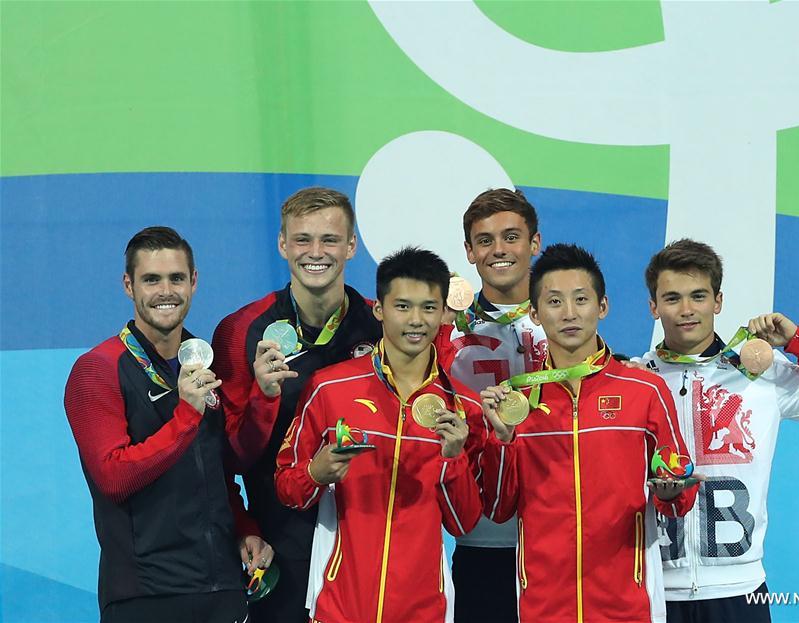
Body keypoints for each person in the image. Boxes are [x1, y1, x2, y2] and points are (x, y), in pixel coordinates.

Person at [640, 239, 799, 623]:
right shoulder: (635, 380)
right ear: (653, 306)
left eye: (698, 296)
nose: (686, 310)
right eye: (672, 298)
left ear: (718, 301)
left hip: (740, 589)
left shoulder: (761, 373)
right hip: (656, 590)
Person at [480, 243, 697, 623]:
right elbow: (499, 507)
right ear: (534, 312)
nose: (569, 314)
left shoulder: (644, 390)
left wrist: (673, 491)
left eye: (581, 299)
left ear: (602, 307)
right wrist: (502, 440)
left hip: (628, 606)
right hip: (543, 608)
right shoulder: (516, 401)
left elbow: (678, 493)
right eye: (554, 302)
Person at [64, 226, 271, 623]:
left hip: (222, 589)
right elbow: (113, 476)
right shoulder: (97, 370)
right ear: (128, 285)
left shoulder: (206, 363)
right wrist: (186, 416)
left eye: (176, 278)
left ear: (194, 282)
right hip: (146, 596)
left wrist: (244, 528)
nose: (166, 291)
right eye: (151, 279)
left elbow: (216, 470)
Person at [275, 247, 486, 623]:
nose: (416, 320)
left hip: (425, 612)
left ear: (442, 314)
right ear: (379, 309)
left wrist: (453, 460)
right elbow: (286, 487)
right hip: (339, 608)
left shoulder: (460, 407)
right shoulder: (329, 388)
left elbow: (463, 523)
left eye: (428, 307)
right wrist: (316, 474)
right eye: (402, 306)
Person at [212, 187, 382, 621]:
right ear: (283, 244)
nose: (316, 252)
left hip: (370, 539)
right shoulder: (241, 331)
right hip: (280, 545)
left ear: (351, 245)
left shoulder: (380, 327)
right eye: (303, 239)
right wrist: (262, 399)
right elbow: (226, 458)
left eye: (329, 239)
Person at [434, 188, 546, 622]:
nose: (499, 250)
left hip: (556, 535)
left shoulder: (566, 322)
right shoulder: (443, 333)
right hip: (480, 539)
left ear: (534, 243)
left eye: (511, 236)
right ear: (469, 251)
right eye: (485, 240)